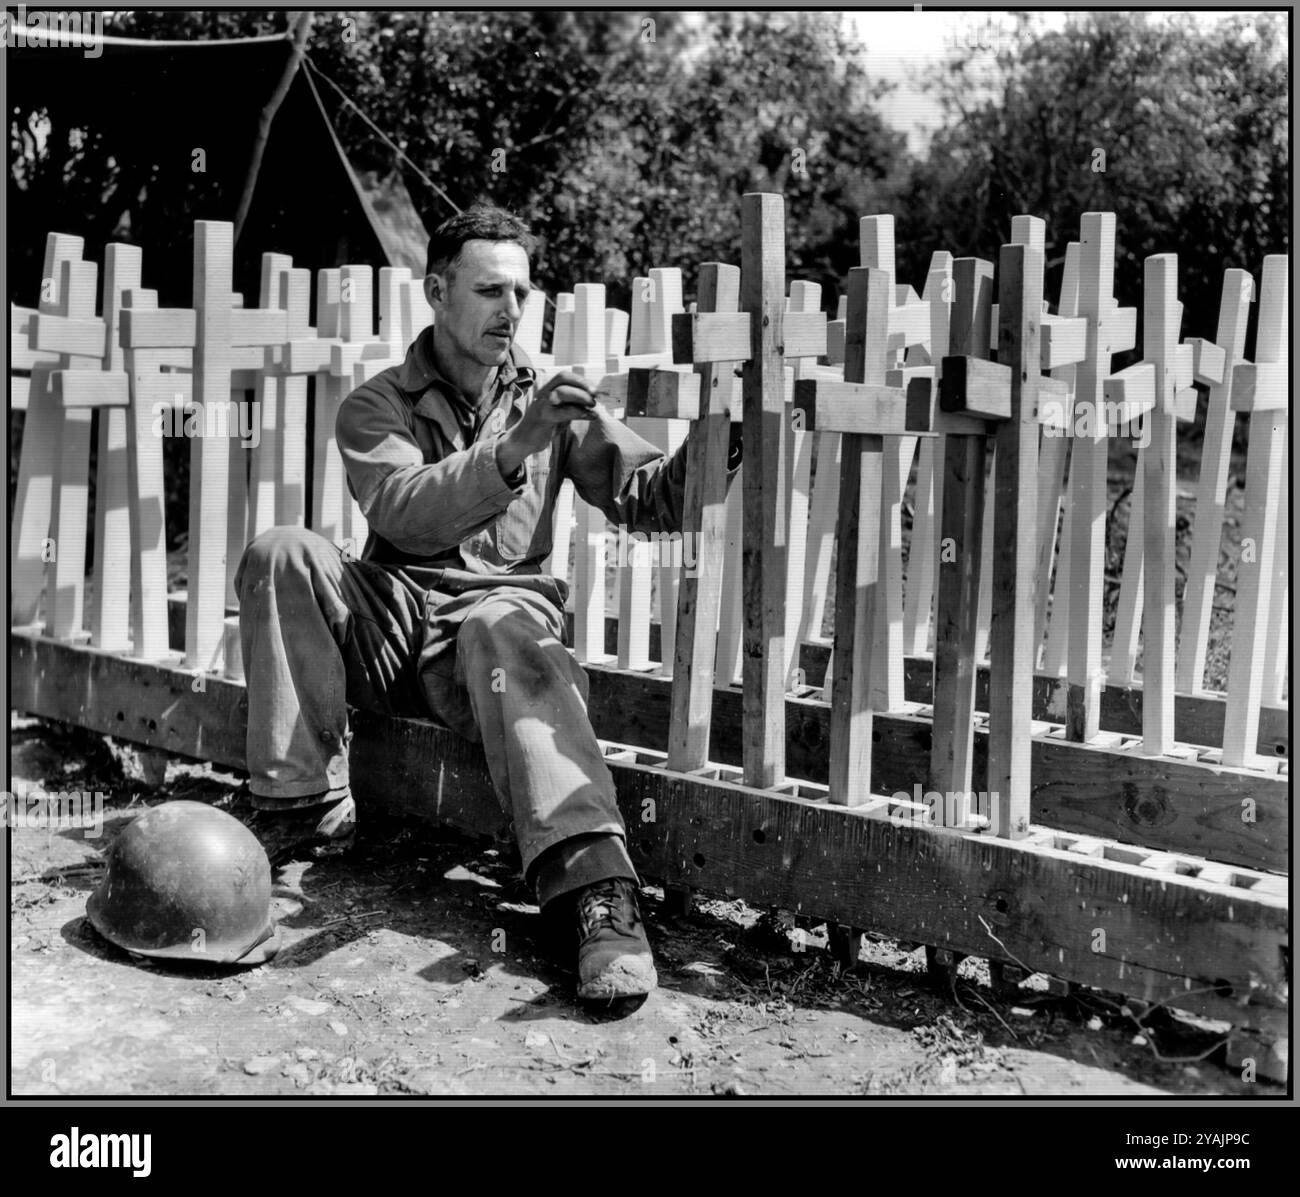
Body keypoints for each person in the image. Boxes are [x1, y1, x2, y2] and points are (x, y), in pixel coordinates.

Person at [235, 203, 741, 1000]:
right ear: (437, 290)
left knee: (509, 624)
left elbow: (650, 498)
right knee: (282, 552)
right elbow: (405, 510)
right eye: (490, 290)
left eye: (522, 293)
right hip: (395, 627)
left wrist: (727, 418)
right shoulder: (378, 403)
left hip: (493, 636)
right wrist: (518, 444)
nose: (512, 311)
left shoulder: (547, 398)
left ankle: (594, 893)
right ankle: (297, 807)